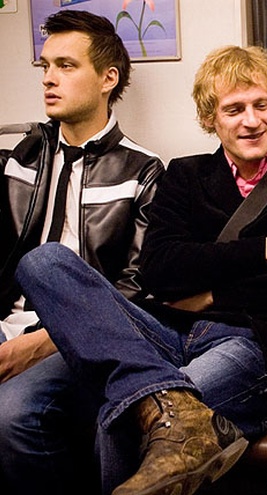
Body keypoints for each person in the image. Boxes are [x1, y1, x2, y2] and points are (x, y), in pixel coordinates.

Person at [15, 44, 267, 495]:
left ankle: (153, 400)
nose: (252, 121)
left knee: (122, 421)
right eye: (234, 109)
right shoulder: (185, 175)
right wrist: (263, 251)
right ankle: (156, 392)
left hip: (251, 341)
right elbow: (159, 271)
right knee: (42, 262)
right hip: (169, 331)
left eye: (260, 105)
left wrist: (213, 294)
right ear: (211, 119)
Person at [0, 10, 165, 494]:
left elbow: (135, 291)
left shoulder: (142, 171)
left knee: (11, 417)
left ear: (107, 79)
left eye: (66, 66)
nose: (49, 78)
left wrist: (42, 341)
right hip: (7, 321)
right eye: (46, 66)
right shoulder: (18, 160)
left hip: (76, 338)